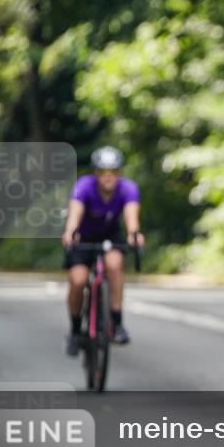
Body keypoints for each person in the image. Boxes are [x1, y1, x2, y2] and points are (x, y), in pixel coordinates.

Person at [61, 146, 143, 356]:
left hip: (110, 236)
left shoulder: (128, 189)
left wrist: (134, 235)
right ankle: (75, 330)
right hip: (84, 236)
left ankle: (116, 322)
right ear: (95, 173)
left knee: (114, 265)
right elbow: (74, 214)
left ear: (119, 173)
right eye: (103, 172)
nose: (108, 177)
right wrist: (70, 232)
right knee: (78, 280)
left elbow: (131, 218)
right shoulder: (84, 186)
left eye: (113, 172)